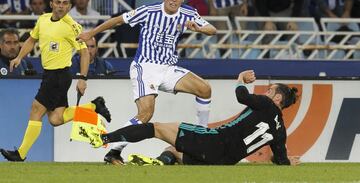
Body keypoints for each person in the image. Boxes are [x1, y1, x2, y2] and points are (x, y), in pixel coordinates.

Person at [77, 0, 217, 164]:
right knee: (146, 114)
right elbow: (118, 20)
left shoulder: (188, 13)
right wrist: (91, 33)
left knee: (205, 89)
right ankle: (114, 151)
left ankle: (203, 136)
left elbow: (212, 30)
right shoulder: (148, 11)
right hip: (145, 66)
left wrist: (199, 28)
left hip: (168, 68)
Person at [85, 70, 300, 166]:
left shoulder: (266, 104)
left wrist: (240, 78)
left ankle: (104, 139)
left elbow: (241, 95)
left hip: (214, 141)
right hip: (225, 162)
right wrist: (287, 161)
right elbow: (281, 160)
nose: (265, 93)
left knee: (155, 128)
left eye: (270, 90)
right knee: (174, 151)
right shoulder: (280, 130)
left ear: (277, 97)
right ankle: (161, 164)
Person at [0, 0, 111, 162]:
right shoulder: (43, 19)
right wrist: (19, 57)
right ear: (51, 4)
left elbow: (84, 53)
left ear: (69, 6)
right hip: (50, 74)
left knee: (36, 109)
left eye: (65, 3)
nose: (61, 6)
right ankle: (94, 106)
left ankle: (21, 153)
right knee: (56, 118)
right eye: (58, 2)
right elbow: (31, 40)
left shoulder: (72, 26)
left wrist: (82, 77)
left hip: (59, 75)